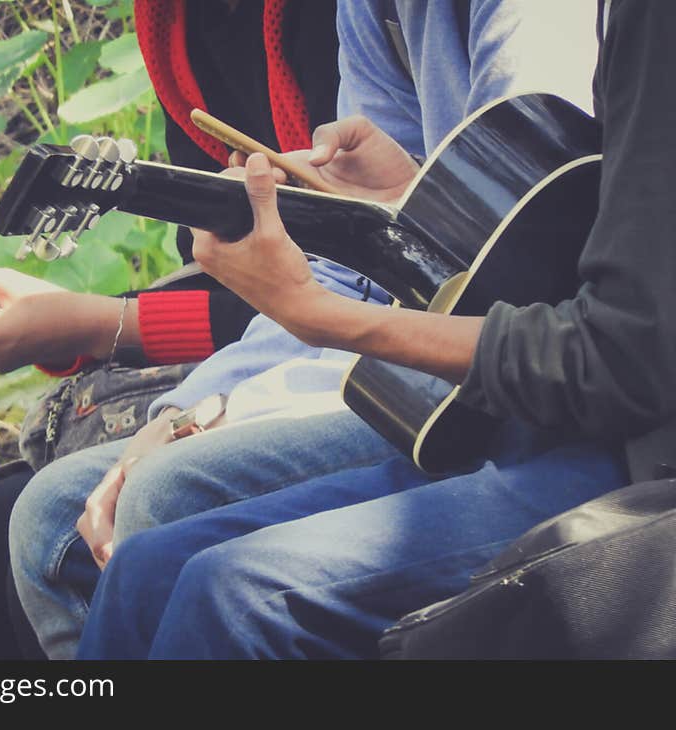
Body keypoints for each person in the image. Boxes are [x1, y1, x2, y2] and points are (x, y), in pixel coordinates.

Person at [74, 0, 676, 659]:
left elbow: (622, 359)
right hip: (547, 406)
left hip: (635, 459)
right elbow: (554, 235)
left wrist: (324, 319)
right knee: (143, 572)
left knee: (232, 591)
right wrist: (407, 214)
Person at [0, 0, 339, 659]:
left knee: (34, 535)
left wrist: (98, 324)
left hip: (360, 350)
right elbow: (232, 279)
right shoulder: (177, 24)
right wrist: (71, 324)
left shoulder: (332, 22)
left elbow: (345, 275)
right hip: (277, 346)